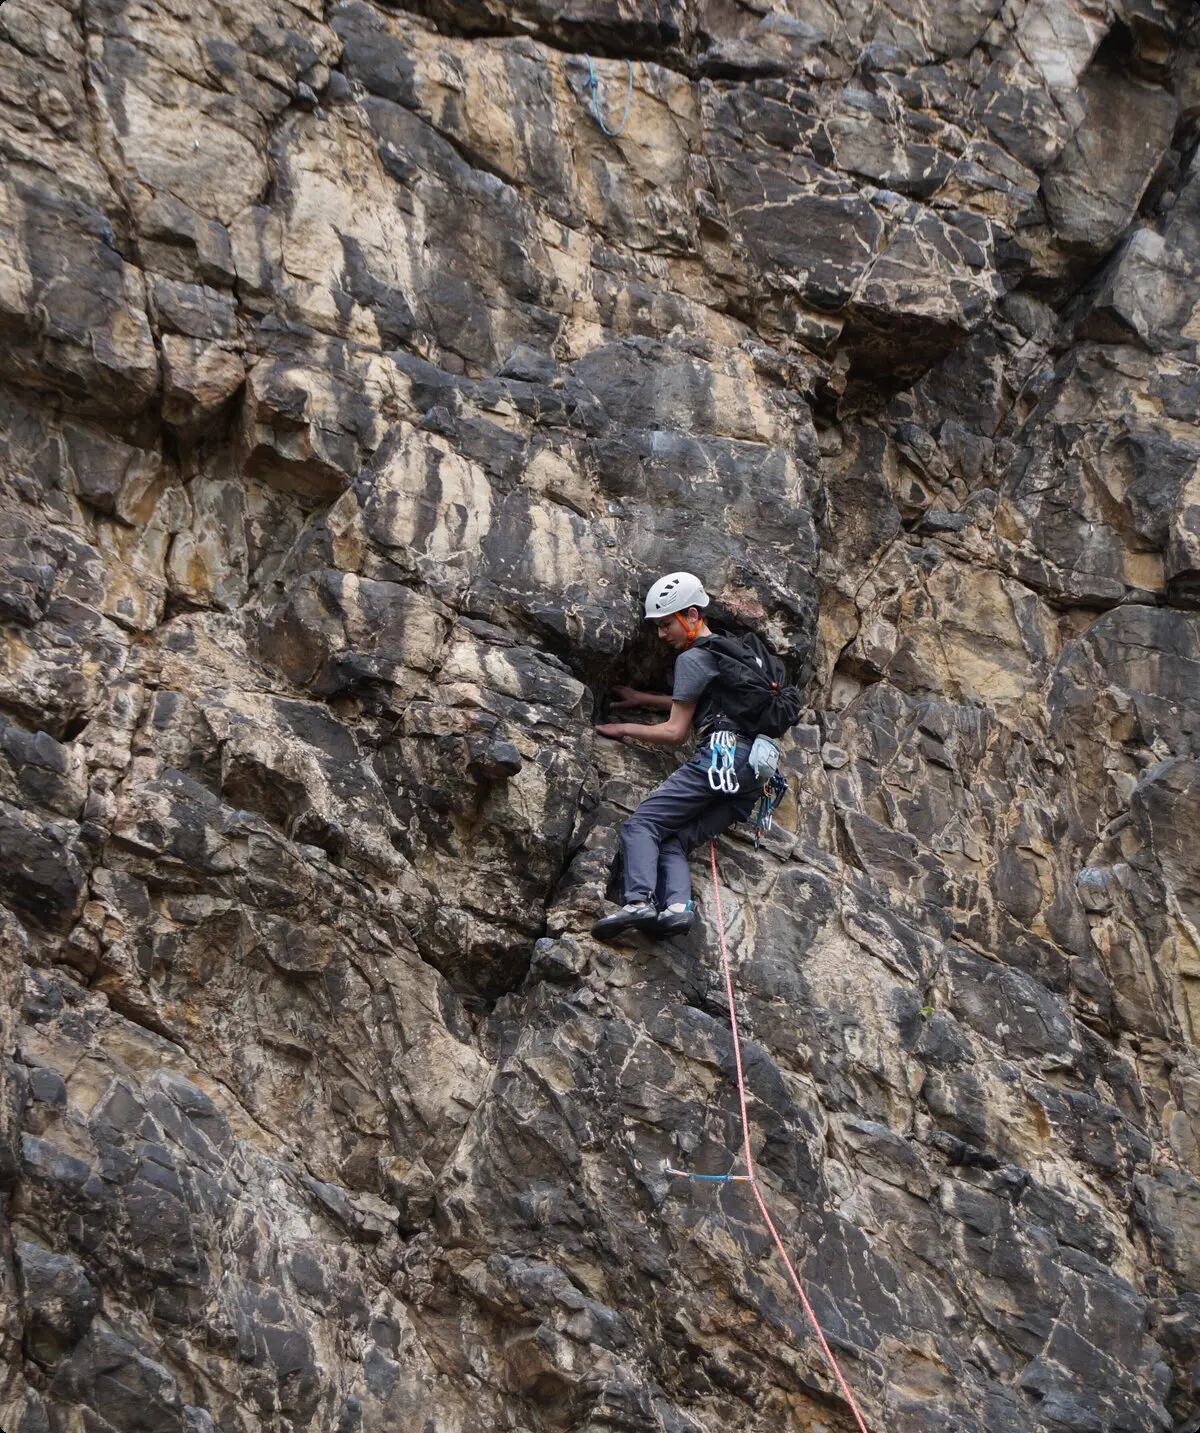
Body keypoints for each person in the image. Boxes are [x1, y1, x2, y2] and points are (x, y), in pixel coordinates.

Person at [591, 571, 759, 941]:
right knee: (675, 841)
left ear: (692, 615)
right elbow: (696, 699)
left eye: (666, 624)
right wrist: (643, 699)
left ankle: (638, 902)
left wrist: (622, 728)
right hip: (756, 774)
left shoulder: (693, 658)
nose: (661, 635)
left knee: (642, 826)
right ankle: (678, 909)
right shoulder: (733, 654)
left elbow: (675, 731)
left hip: (721, 759)